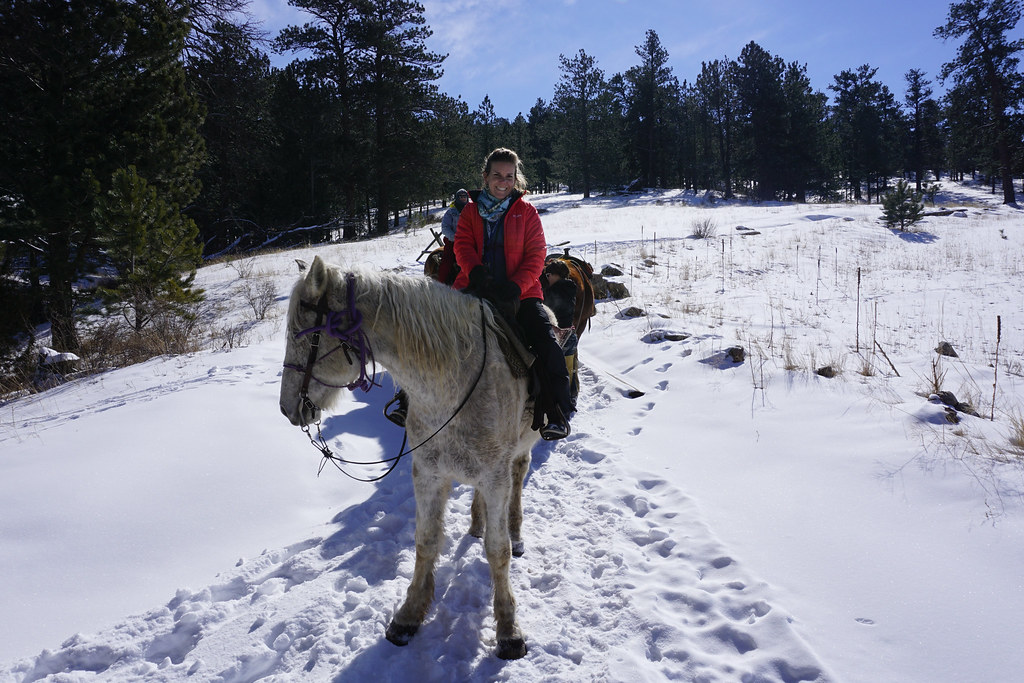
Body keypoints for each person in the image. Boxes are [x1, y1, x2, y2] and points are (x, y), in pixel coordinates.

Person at [453, 148, 573, 441]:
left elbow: (536, 255)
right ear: (486, 177)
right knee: (434, 333)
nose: (503, 182)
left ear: (515, 178)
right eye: (497, 175)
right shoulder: (470, 211)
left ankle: (556, 412)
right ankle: (410, 403)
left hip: (520, 293)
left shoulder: (527, 212)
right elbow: (462, 245)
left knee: (546, 344)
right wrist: (477, 272)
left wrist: (516, 286)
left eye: (509, 176)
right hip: (473, 286)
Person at [540, 259, 579, 410]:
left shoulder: (553, 292)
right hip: (570, 335)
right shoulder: (570, 288)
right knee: (570, 370)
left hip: (557, 337)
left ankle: (559, 403)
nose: (548, 278)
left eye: (549, 274)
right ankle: (571, 397)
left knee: (556, 370)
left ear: (556, 275)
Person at [436, 189, 469, 285]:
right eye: (461, 196)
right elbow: (445, 227)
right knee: (448, 260)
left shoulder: (472, 209)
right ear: (457, 198)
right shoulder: (451, 212)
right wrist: (455, 237)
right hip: (453, 241)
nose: (463, 198)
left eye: (464, 196)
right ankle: (441, 283)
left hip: (469, 241)